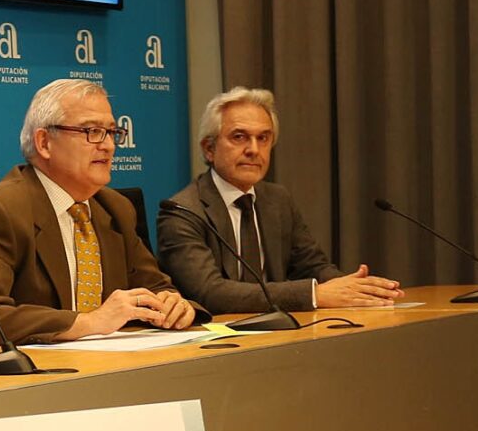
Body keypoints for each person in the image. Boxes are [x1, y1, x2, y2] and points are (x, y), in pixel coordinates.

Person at [0, 79, 195, 347]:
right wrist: (89, 322)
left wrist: (174, 306)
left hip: (102, 364)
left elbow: (156, 288)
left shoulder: (115, 208)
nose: (108, 146)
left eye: (111, 132)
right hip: (13, 369)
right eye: (92, 131)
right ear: (44, 142)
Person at [155, 87, 402, 313]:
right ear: (209, 149)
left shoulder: (277, 200)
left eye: (263, 138)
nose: (254, 150)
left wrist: (358, 289)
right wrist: (314, 294)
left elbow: (312, 266)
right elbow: (209, 293)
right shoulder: (183, 211)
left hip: (279, 333)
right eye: (239, 137)